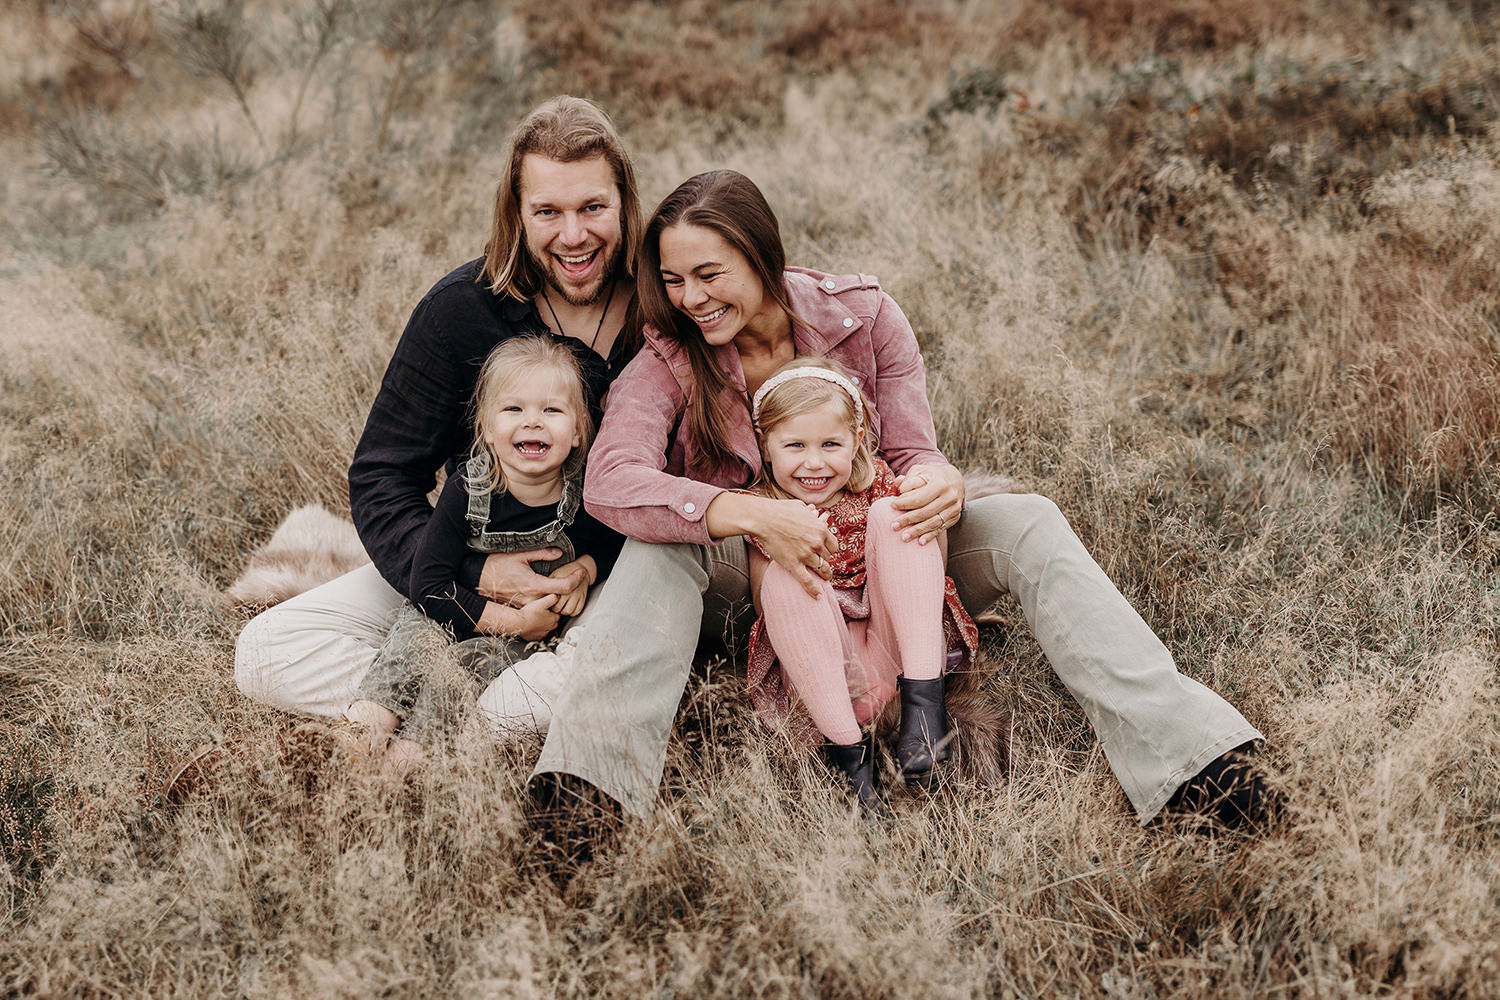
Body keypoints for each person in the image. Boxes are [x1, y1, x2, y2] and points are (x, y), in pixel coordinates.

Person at [529, 168, 1278, 830]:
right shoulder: (669, 352)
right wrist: (753, 513)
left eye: (709, 274)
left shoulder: (865, 318)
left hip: (884, 550)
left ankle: (1195, 763)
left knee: (1027, 521)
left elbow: (914, 453)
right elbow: (613, 479)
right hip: (752, 572)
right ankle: (586, 794)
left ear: (763, 257)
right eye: (673, 278)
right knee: (658, 559)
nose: (689, 297)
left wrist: (940, 480)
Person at [233, 95, 640, 721]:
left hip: (602, 576)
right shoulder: (461, 311)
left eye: (593, 207)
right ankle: (461, 708)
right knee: (262, 653)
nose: (574, 235)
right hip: (461, 566)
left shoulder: (660, 306)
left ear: (624, 202)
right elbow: (383, 475)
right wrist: (476, 576)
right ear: (517, 213)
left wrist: (586, 568)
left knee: (569, 679)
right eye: (548, 211)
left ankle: (462, 708)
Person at [329, 336, 623, 774]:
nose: (533, 423)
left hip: (509, 642)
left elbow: (614, 539)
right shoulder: (468, 489)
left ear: (579, 429)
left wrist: (585, 567)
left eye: (552, 410)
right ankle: (347, 750)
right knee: (409, 648)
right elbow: (427, 584)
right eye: (514, 409)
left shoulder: (586, 494)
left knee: (458, 673)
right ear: (485, 426)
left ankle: (401, 771)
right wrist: (518, 621)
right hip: (449, 610)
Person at [740, 355, 980, 813]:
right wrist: (797, 545)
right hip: (825, 678)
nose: (814, 463)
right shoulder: (762, 509)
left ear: (857, 441)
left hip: (897, 657)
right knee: (785, 577)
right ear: (765, 446)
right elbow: (764, 605)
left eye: (831, 443)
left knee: (897, 514)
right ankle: (852, 766)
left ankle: (925, 716)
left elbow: (931, 566)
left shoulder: (880, 486)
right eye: (794, 446)